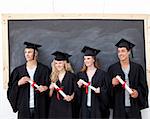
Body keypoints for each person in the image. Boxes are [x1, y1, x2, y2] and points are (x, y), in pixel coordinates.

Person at [7, 42, 51, 119]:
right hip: (24, 107)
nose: (27, 54)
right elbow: (10, 89)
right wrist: (18, 83)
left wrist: (45, 88)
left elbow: (50, 85)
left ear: (36, 54)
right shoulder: (18, 71)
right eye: (25, 52)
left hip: (41, 107)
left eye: (29, 52)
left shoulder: (44, 70)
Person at [107, 38, 149, 119]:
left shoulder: (137, 68)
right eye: (118, 51)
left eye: (123, 51)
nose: (120, 53)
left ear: (129, 52)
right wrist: (111, 84)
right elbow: (106, 89)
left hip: (134, 107)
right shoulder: (112, 69)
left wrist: (137, 93)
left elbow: (143, 87)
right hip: (119, 108)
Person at [77, 46, 110, 119]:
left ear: (94, 59)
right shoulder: (80, 75)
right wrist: (78, 87)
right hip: (84, 109)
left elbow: (108, 91)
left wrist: (101, 91)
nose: (86, 61)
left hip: (97, 108)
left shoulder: (102, 74)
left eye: (88, 58)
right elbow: (77, 95)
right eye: (84, 59)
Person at [48, 51, 76, 119]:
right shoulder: (52, 76)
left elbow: (76, 90)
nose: (58, 65)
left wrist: (71, 97)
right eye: (56, 63)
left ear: (65, 63)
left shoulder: (71, 76)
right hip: (55, 106)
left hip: (67, 106)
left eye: (60, 63)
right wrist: (51, 89)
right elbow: (49, 95)